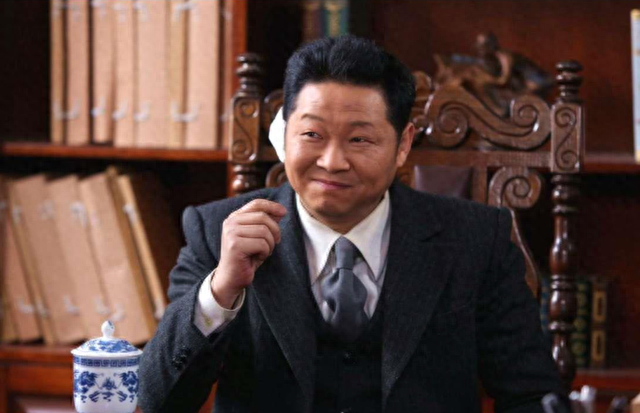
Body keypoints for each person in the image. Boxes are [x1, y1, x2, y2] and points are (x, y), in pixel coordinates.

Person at [138, 35, 561, 413]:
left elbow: (532, 396)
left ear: (403, 144)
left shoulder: (476, 239)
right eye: (312, 135)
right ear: (284, 134)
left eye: (359, 139)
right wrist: (220, 291)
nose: (332, 162)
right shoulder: (216, 232)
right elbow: (161, 401)